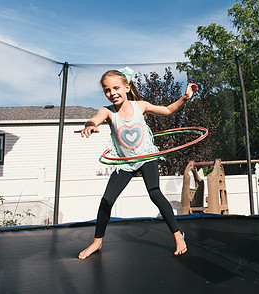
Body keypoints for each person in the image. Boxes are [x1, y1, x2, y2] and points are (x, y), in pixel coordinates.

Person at [78, 67, 197, 259]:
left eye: (116, 88)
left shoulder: (140, 106)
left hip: (146, 156)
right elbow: (94, 120)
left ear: (126, 87)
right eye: (107, 90)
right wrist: (90, 127)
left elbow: (167, 110)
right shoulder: (107, 112)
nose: (112, 93)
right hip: (125, 162)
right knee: (106, 200)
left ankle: (178, 237)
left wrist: (185, 97)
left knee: (155, 193)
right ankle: (97, 241)